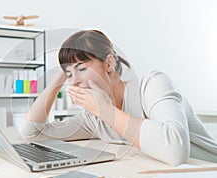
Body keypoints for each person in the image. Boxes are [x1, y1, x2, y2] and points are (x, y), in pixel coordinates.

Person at [19, 30, 217, 165]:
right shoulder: (94, 118)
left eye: (82, 68)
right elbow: (32, 133)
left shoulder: (152, 85)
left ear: (108, 64)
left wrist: (106, 111)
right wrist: (59, 78)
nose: (74, 81)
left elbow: (176, 151)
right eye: (69, 74)